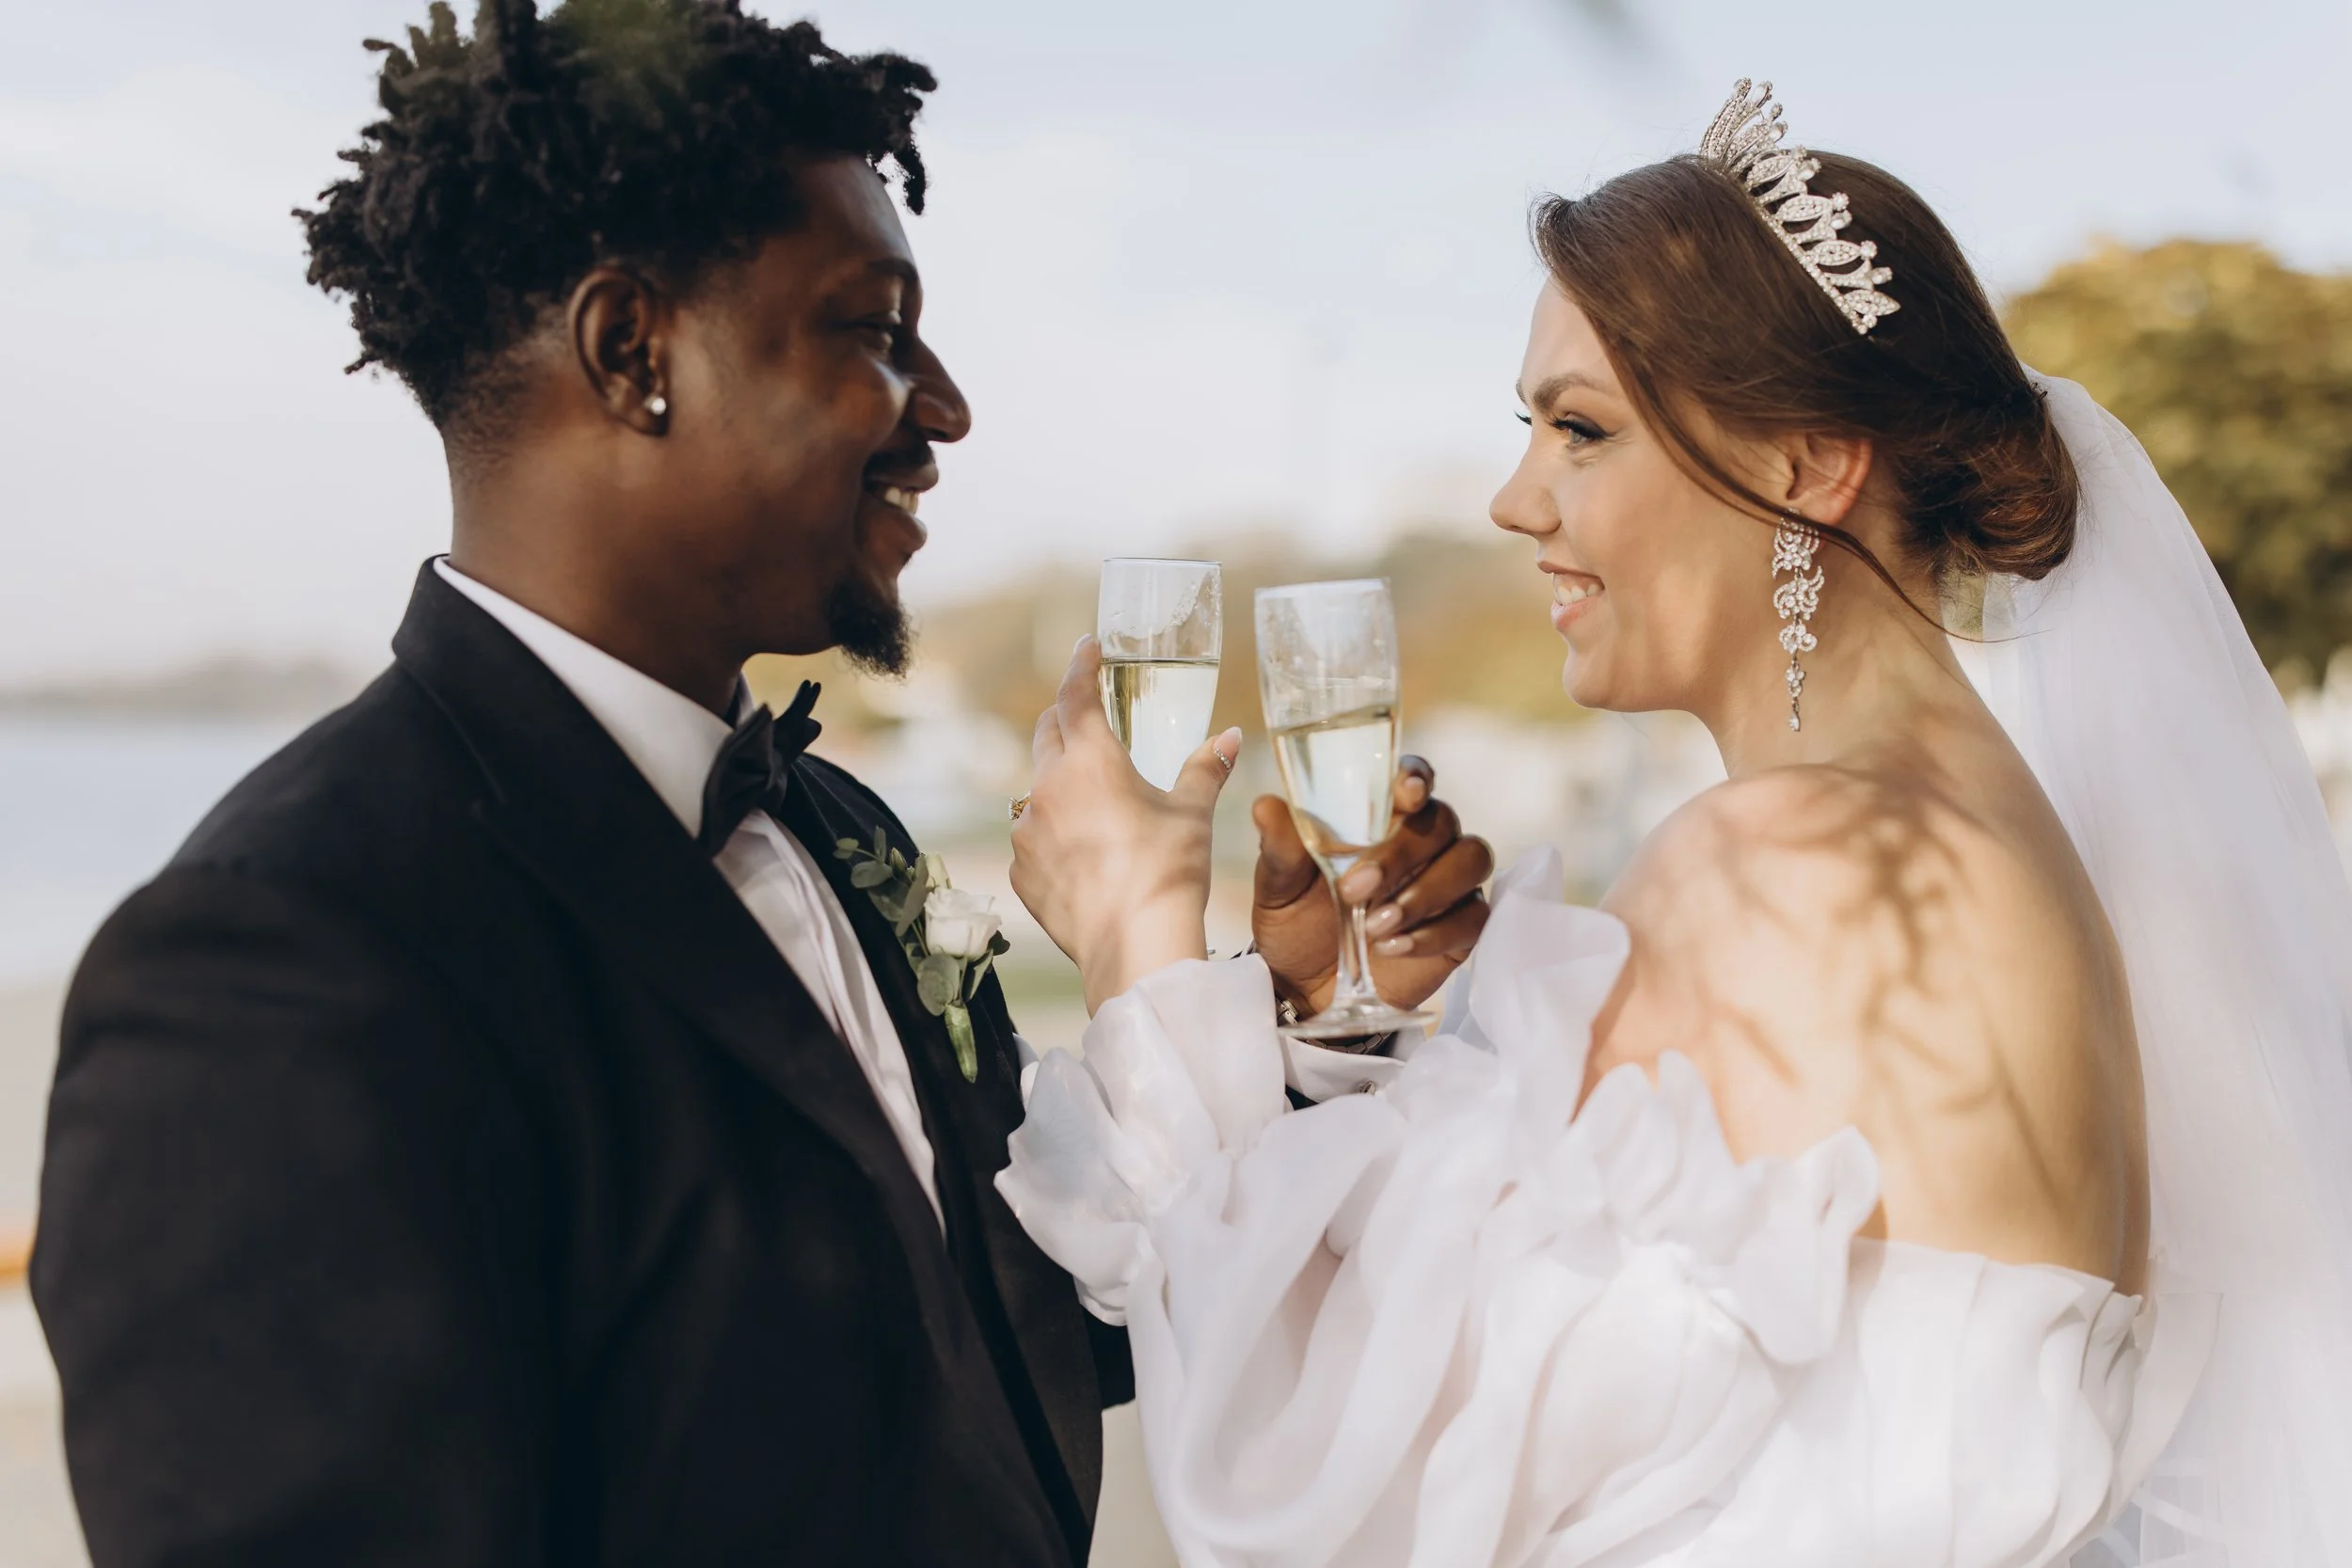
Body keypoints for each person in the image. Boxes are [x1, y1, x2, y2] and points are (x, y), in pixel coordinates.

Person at [28, 5, 1495, 1565]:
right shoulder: (286, 961)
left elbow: (1010, 1319)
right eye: (875, 330)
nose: (945, 409)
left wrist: (1295, 1026)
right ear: (632, 353)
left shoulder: (836, 828)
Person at [999, 80, 2352, 1566]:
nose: (1515, 499)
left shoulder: (1796, 861)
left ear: (1806, 465)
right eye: (1526, 427)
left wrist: (1135, 925)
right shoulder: (1983, 833)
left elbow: (1347, 1472)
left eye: (1580, 430)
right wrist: (1343, 1017)